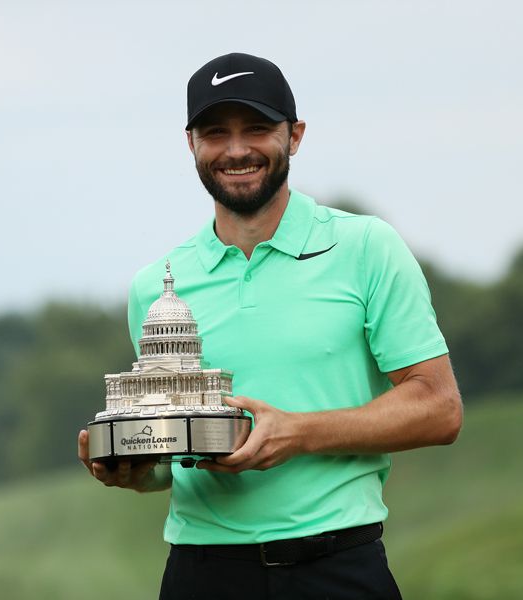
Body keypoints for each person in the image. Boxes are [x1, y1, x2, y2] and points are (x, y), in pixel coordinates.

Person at [78, 52, 462, 600]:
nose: (236, 150)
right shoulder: (155, 283)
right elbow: (172, 464)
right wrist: (135, 468)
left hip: (337, 565)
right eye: (215, 133)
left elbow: (439, 408)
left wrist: (297, 433)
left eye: (256, 129)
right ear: (191, 143)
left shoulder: (366, 248)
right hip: (201, 573)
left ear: (295, 135)